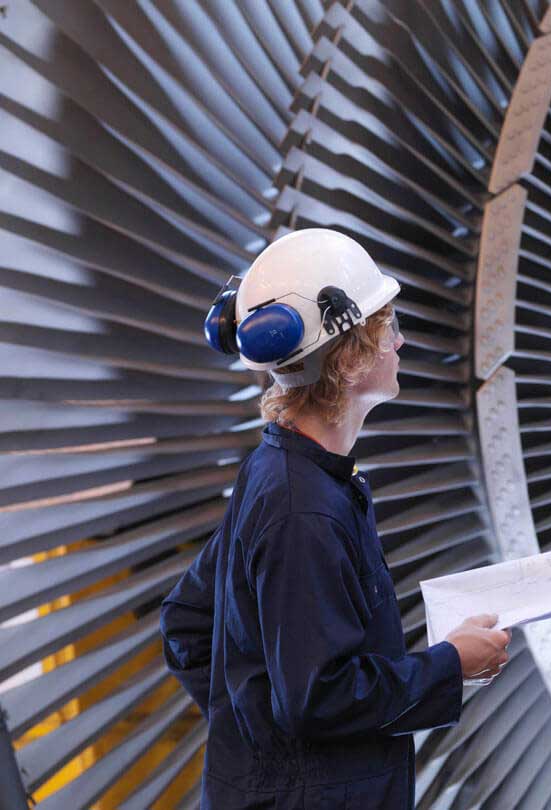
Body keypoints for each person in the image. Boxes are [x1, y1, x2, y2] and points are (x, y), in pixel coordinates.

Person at [159, 229, 511, 809]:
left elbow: (187, 624)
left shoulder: (281, 473)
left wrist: (260, 749)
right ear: (349, 361)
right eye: (386, 329)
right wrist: (451, 664)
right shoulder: (303, 510)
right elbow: (319, 696)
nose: (398, 343)